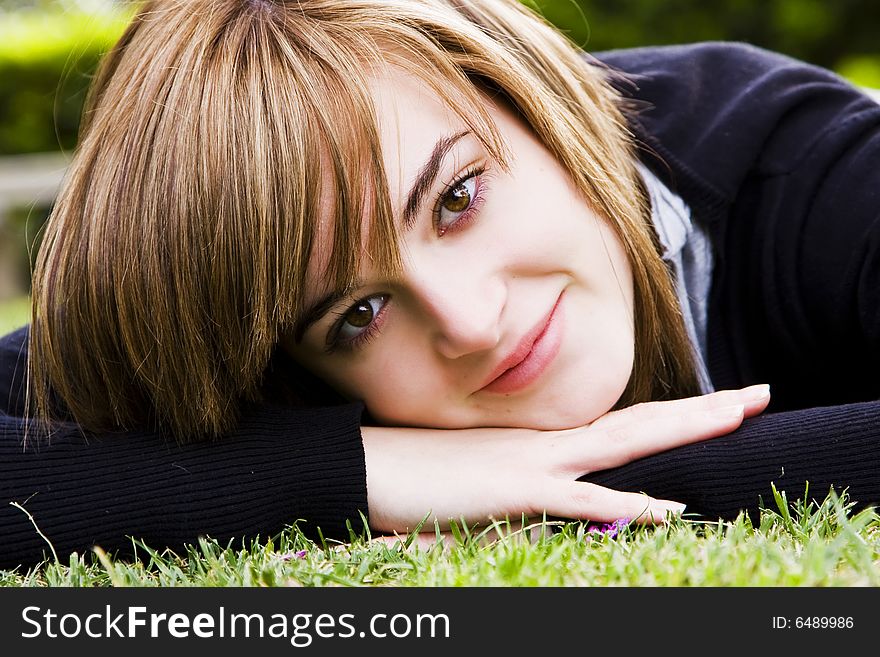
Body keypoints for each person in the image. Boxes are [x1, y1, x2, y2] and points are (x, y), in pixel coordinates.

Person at [2, 0, 879, 571]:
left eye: (457, 198)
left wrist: (549, 480)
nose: (469, 320)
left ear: (528, 101)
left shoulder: (796, 164)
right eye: (359, 315)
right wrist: (360, 468)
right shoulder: (261, 316)